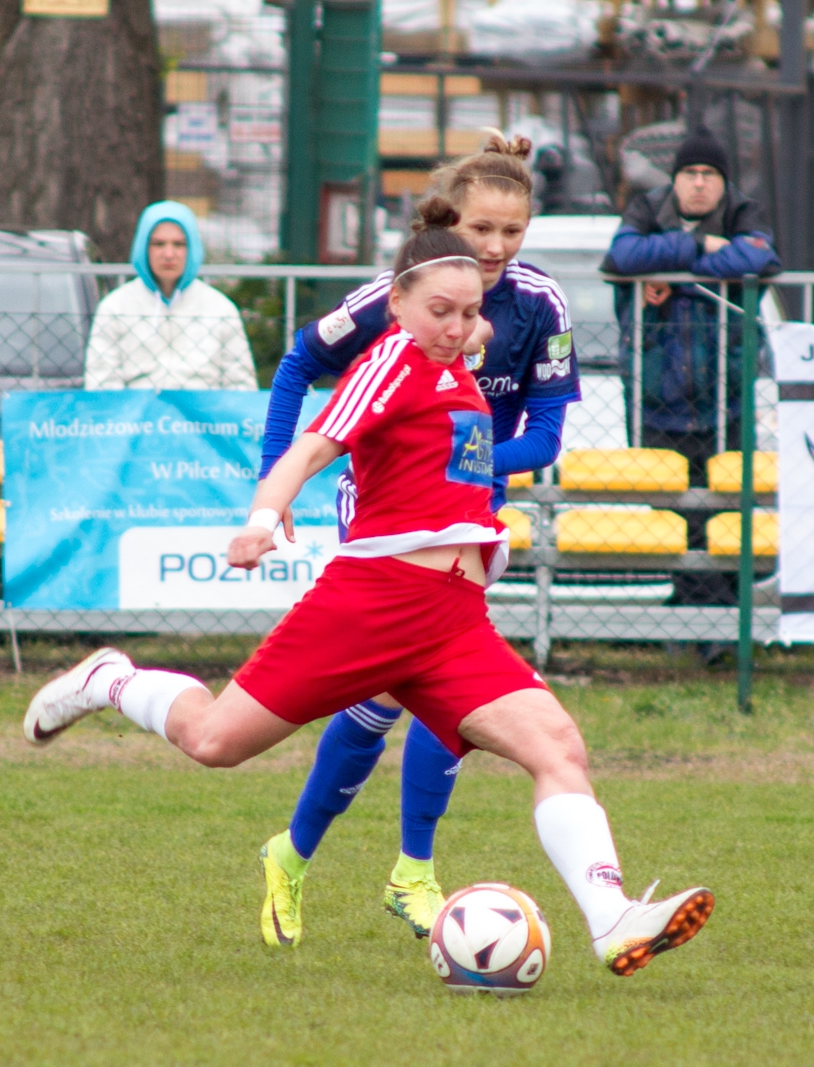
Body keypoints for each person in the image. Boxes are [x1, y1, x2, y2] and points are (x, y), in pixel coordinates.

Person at [23, 210, 715, 976]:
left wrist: (473, 321)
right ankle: (110, 679)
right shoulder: (388, 361)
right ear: (397, 304)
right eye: (438, 311)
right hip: (372, 603)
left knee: (558, 746)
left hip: (453, 622)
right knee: (214, 742)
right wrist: (261, 515)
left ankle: (613, 920)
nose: (456, 327)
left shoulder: (457, 353)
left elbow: (472, 329)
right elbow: (316, 444)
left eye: (468, 311)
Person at [255, 132, 581, 947]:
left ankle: (393, 868)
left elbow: (544, 439)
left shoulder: (541, 305)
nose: (496, 248)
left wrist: (467, 460)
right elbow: (299, 363)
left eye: (513, 232)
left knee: (436, 694)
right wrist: (270, 488)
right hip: (388, 510)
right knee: (392, 690)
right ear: (448, 224)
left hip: (470, 519)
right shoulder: (397, 298)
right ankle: (324, 859)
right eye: (480, 230)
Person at [600, 126, 779, 661]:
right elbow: (621, 256)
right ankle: (702, 618)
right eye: (690, 174)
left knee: (726, 507)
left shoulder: (745, 212)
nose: (699, 184)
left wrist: (670, 271)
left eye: (709, 175)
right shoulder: (646, 209)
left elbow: (757, 259)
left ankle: (710, 622)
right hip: (657, 393)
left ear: (724, 183)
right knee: (672, 511)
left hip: (728, 394)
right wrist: (698, 248)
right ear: (674, 180)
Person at [84, 200, 257, 391]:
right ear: (143, 247)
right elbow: (101, 386)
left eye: (178, 244)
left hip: (203, 419)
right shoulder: (114, 307)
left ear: (192, 249)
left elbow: (241, 388)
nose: (168, 254)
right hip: (136, 419)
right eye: (159, 244)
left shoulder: (221, 309)